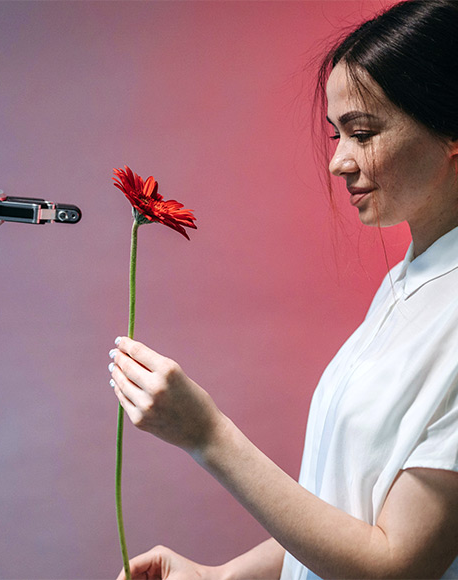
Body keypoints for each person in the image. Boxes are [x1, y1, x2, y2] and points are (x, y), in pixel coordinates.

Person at [108, 1, 458, 578]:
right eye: (336, 133)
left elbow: (397, 563)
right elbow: (347, 506)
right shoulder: (410, 281)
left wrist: (208, 436)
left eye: (363, 133)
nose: (338, 162)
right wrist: (221, 577)